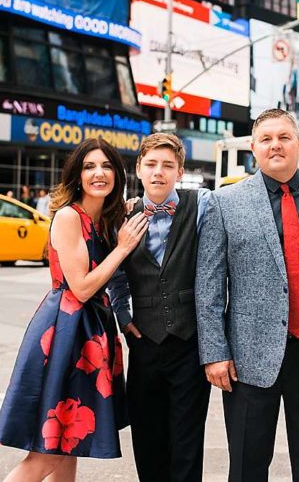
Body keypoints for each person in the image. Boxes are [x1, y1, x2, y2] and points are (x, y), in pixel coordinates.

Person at [196, 108, 299, 482]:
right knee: (247, 467)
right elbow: (209, 285)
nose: (276, 145)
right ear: (253, 148)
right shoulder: (225, 202)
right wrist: (215, 353)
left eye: (284, 137)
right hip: (248, 358)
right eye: (266, 139)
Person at [0, 138, 150, 482]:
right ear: (76, 175)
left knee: (69, 443)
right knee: (47, 453)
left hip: (90, 333)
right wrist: (122, 248)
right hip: (67, 333)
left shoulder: (104, 218)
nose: (99, 173)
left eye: (106, 166)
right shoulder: (68, 217)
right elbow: (81, 287)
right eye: (89, 166)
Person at [107, 133, 212, 482]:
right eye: (151, 164)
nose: (158, 172)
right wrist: (123, 317)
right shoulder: (122, 217)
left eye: (168, 166)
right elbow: (117, 278)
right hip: (144, 343)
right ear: (138, 169)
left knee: (187, 441)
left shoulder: (202, 206)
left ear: (180, 172)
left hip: (189, 342)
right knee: (148, 439)